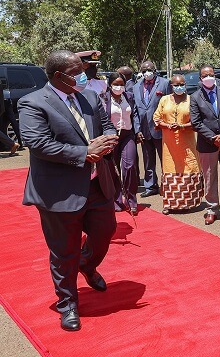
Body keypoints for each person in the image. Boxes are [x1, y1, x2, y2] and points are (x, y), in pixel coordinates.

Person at [18, 50, 120, 331]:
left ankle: (87, 265)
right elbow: (37, 142)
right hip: (58, 192)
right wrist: (85, 152)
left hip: (97, 184)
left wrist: (109, 140)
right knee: (64, 252)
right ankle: (68, 304)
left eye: (83, 69)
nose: (84, 74)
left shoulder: (89, 96)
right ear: (58, 76)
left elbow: (107, 124)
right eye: (77, 71)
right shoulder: (33, 102)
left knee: (105, 232)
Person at [189, 64, 220, 224]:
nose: (208, 77)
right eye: (205, 75)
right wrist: (213, 138)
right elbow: (196, 122)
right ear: (200, 79)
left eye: (211, 74)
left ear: (215, 75)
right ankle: (212, 208)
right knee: (210, 178)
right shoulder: (195, 97)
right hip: (207, 144)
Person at [154, 74, 204, 215]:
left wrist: (182, 126)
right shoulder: (164, 99)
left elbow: (197, 121)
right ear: (171, 86)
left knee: (189, 167)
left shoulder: (191, 100)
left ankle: (188, 202)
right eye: (176, 85)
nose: (179, 87)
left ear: (185, 85)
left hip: (187, 143)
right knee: (170, 169)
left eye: (181, 84)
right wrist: (167, 125)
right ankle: (169, 203)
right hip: (169, 145)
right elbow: (157, 118)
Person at [133, 61, 170, 198]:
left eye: (149, 69)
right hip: (144, 130)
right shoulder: (136, 87)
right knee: (148, 160)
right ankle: (151, 186)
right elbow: (135, 111)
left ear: (155, 70)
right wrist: (137, 130)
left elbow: (170, 104)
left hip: (161, 129)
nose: (147, 72)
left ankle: (167, 185)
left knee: (165, 159)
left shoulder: (165, 84)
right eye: (144, 70)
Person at [105, 72, 139, 215]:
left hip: (127, 134)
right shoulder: (104, 99)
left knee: (129, 165)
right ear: (109, 85)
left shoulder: (129, 97)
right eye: (116, 84)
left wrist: (138, 131)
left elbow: (135, 114)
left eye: (121, 84)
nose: (119, 87)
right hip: (112, 136)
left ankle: (131, 200)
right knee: (113, 169)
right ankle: (116, 200)